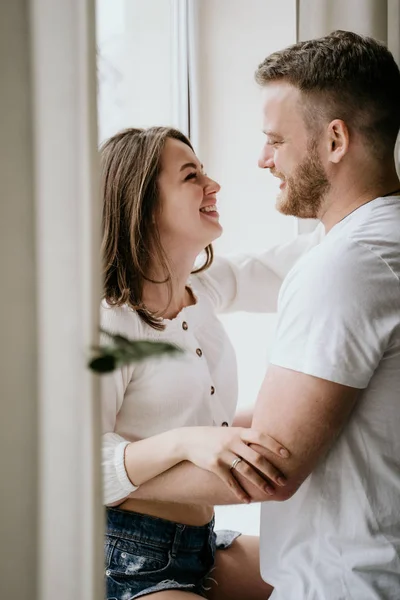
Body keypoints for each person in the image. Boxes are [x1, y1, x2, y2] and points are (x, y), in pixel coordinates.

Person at [126, 31, 400, 600]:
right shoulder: (373, 243)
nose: (262, 159)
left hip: (347, 581)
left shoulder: (347, 265)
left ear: (335, 140)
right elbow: (332, 402)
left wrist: (103, 483)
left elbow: (269, 467)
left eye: (276, 139)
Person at [100, 126, 322, 600]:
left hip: (202, 543)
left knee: (322, 571)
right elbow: (81, 468)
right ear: (143, 202)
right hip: (128, 559)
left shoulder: (200, 288)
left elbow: (295, 264)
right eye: (191, 175)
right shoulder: (108, 322)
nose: (213, 184)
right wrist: (186, 441)